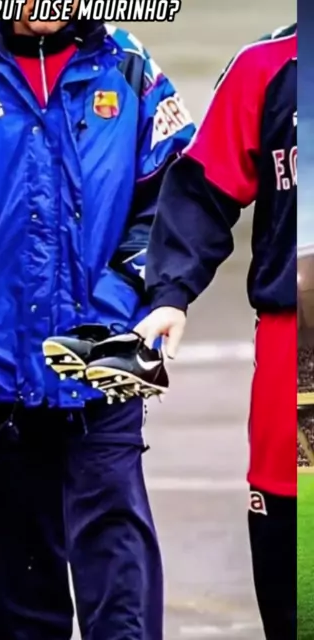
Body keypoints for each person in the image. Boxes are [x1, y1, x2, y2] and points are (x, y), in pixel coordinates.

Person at [0, 5, 195, 639]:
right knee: (21, 589)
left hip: (108, 360)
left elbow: (176, 196)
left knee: (117, 569)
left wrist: (120, 299)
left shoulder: (130, 67)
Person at [136, 25, 296, 640]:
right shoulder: (266, 67)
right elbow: (204, 190)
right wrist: (171, 293)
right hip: (296, 345)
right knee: (294, 571)